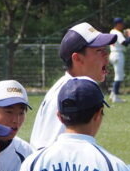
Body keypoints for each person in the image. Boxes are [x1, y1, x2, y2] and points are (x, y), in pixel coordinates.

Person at [29, 22, 116, 150]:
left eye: (105, 49)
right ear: (77, 58)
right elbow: (45, 150)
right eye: (99, 50)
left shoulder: (76, 91)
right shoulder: (65, 96)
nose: (106, 55)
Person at [108, 17, 130, 103]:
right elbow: (125, 43)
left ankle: (112, 95)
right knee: (119, 76)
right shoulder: (117, 33)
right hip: (118, 54)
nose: (123, 25)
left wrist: (125, 34)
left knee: (117, 75)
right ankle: (115, 97)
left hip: (113, 53)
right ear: (118, 24)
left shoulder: (112, 31)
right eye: (121, 23)